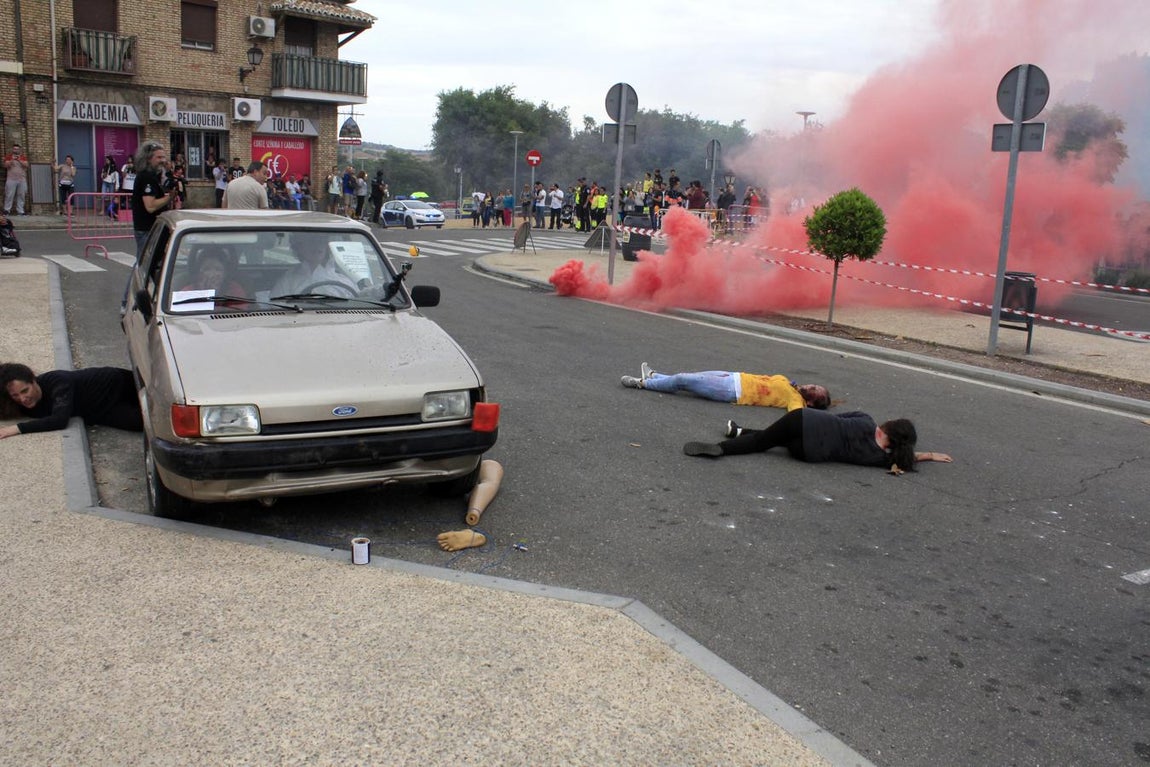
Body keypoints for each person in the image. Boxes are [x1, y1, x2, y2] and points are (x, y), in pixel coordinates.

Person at [682, 408, 953, 475]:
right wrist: (927, 455)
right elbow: (906, 458)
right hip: (808, 452)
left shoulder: (866, 420)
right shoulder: (880, 457)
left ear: (892, 425)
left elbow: (834, 416)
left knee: (764, 440)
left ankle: (722, 448)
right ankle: (741, 431)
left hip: (806, 421)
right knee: (778, 441)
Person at [0, 363, 142, 437]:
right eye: (15, 395)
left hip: (118, 385)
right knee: (140, 424)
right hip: (101, 411)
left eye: (25, 390)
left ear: (33, 381)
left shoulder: (58, 381)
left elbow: (59, 420)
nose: (22, 398)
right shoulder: (17, 402)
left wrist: (16, 429)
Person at [620, 362, 830, 411]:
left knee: (684, 380)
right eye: (814, 385)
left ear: (810, 402)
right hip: (733, 377)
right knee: (689, 378)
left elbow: (798, 416)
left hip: (732, 391)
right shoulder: (790, 386)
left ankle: (643, 383)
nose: (810, 386)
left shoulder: (796, 400)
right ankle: (656, 376)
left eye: (813, 391)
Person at [270, 233, 358, 298]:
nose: (317, 245)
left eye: (321, 241)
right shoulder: (288, 280)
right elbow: (277, 307)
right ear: (299, 248)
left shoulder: (343, 281)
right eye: (311, 241)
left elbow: (358, 304)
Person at [130, 141, 176, 260]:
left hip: (150, 229)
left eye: (164, 157)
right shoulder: (146, 177)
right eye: (159, 157)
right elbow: (150, 206)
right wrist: (169, 197)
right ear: (148, 159)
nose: (163, 160)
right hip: (147, 230)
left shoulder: (152, 175)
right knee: (146, 266)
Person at [177, 247, 246, 297]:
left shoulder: (235, 289)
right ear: (198, 273)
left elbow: (235, 314)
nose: (212, 274)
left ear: (225, 273)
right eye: (206, 269)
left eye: (218, 269)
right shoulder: (187, 292)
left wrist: (217, 294)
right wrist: (204, 293)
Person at [3, 143, 29, 215]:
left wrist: (19, 160)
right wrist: (12, 160)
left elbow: (26, 165)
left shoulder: (23, 157)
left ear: (19, 150)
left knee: (21, 195)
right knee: (9, 195)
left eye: (17, 149)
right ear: (12, 149)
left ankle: (20, 211)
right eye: (14, 149)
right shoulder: (8, 157)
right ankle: (7, 210)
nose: (16, 150)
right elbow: (5, 165)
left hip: (22, 179)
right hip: (11, 179)